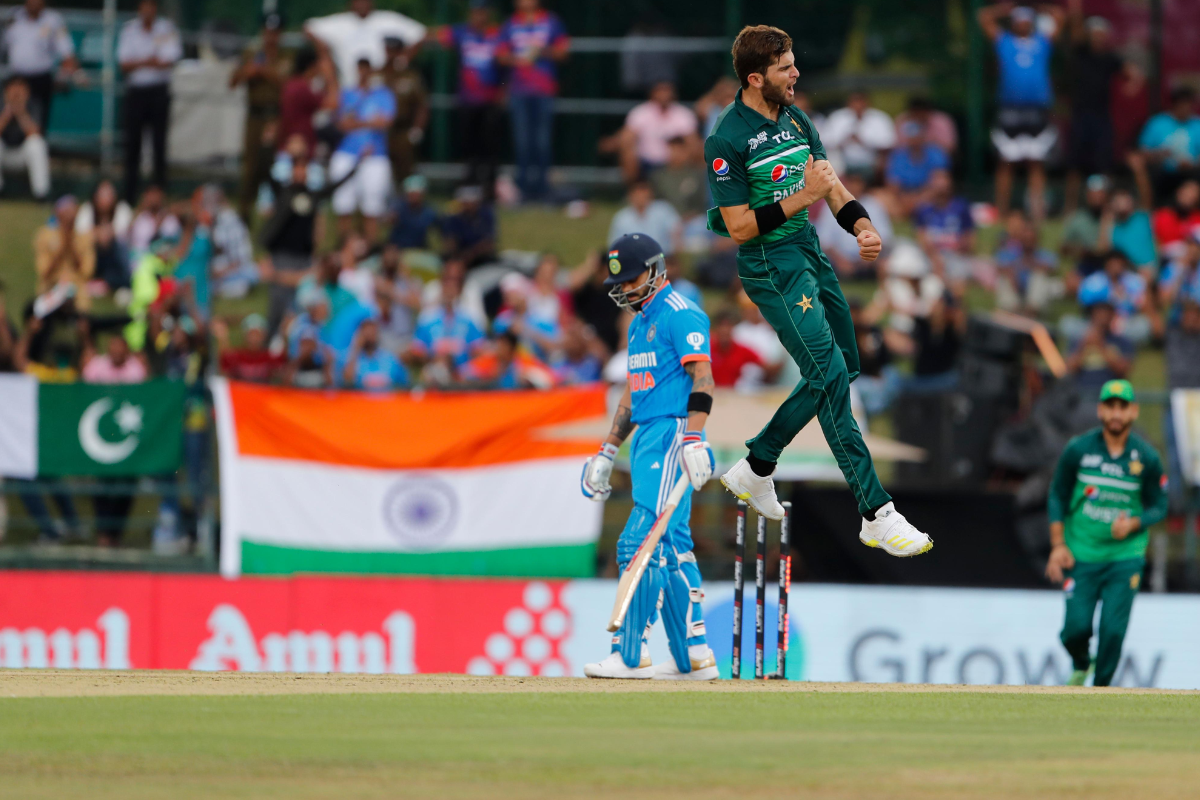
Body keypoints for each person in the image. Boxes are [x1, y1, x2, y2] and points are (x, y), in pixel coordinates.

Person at [704, 25, 932, 555]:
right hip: (769, 264)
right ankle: (876, 511)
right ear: (756, 78)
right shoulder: (727, 139)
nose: (796, 73)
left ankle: (758, 463)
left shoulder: (796, 117)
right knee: (828, 373)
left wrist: (862, 226)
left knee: (845, 365)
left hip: (808, 250)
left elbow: (829, 184)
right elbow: (738, 227)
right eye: (786, 67)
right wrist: (800, 195)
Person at [579, 232, 718, 680]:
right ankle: (691, 656)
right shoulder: (639, 324)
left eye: (632, 278)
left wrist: (694, 438)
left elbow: (704, 377)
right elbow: (633, 390)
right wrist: (608, 448)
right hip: (647, 437)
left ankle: (630, 652)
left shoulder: (681, 314)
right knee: (674, 548)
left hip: (673, 432)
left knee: (640, 541)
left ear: (657, 270)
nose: (623, 288)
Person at [1045, 380, 1167, 687]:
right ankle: (1082, 663)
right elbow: (1057, 495)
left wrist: (1134, 523)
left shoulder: (1146, 457)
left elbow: (1161, 505)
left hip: (1124, 557)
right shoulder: (1079, 449)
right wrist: (1058, 544)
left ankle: (1100, 692)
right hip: (1081, 553)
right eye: (1110, 406)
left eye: (1122, 406)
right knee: (1075, 630)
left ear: (1133, 412)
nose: (1116, 413)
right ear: (1100, 410)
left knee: (1112, 632)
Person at [259, 136, 362, 338]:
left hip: (303, 258)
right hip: (281, 255)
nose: (301, 172)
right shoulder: (283, 192)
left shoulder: (313, 196)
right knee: (277, 305)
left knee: (298, 307)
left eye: (304, 169)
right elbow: (264, 171)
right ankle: (269, 345)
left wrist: (358, 165)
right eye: (297, 168)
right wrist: (267, 144)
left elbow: (336, 185)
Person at [978, 3, 1065, 221]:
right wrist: (1006, 7)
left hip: (1037, 110)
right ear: (1014, 22)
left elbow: (1060, 17)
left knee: (1036, 162)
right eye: (1019, 19)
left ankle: (1037, 213)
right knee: (1006, 162)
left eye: (1026, 19)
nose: (1023, 23)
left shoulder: (1042, 42)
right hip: (1010, 109)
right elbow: (983, 17)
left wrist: (1037, 6)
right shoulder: (1004, 42)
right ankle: (1003, 212)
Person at [497, 0, 569, 202]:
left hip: (544, 91)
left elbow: (563, 51)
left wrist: (541, 51)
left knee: (542, 142)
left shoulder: (551, 21)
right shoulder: (510, 24)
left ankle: (543, 191)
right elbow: (501, 55)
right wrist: (519, 59)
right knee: (522, 143)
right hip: (519, 91)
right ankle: (523, 191)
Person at [81, 332, 149, 547]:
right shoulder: (97, 366)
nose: (116, 352)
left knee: (127, 485)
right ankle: (103, 532)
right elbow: (82, 390)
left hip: (126, 437)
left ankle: (115, 533)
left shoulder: (135, 368)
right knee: (101, 485)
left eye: (120, 347)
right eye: (113, 347)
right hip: (102, 437)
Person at [433, 0, 504, 196]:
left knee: (490, 147)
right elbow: (439, 36)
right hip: (467, 100)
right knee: (468, 146)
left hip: (490, 101)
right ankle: (469, 188)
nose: (478, 17)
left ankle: (489, 189)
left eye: (482, 12)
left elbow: (508, 66)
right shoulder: (462, 32)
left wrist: (504, 90)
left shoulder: (497, 35)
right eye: (475, 13)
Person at [1063, 3, 1125, 213]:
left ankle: (1107, 206)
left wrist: (1132, 83)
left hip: (1101, 118)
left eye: (1101, 33)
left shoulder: (1110, 58)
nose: (1097, 36)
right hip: (1081, 117)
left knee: (1104, 166)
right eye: (1094, 33)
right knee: (1074, 167)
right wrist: (1076, 9)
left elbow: (1131, 73)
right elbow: (1075, 30)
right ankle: (1069, 208)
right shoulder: (1081, 52)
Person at [117, 0, 181, 203]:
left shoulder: (166, 29)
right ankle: (129, 196)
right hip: (136, 93)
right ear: (139, 8)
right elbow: (124, 64)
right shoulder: (129, 30)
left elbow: (170, 60)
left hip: (158, 92)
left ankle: (158, 194)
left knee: (159, 145)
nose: (148, 10)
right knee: (132, 146)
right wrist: (148, 61)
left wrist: (142, 62)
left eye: (151, 6)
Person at [230, 11, 291, 221]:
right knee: (251, 167)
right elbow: (232, 82)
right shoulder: (251, 53)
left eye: (275, 32)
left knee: (274, 167)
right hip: (254, 118)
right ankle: (245, 215)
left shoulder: (286, 56)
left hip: (276, 117)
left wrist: (265, 72)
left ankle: (280, 215)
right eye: (268, 31)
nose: (271, 36)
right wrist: (249, 72)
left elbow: (289, 85)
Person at [331, 57, 395, 241]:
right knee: (344, 206)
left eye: (367, 69)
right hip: (347, 153)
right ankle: (344, 249)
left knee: (372, 208)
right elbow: (342, 124)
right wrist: (369, 122)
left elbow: (384, 123)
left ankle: (371, 248)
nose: (364, 73)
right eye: (361, 69)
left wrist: (356, 123)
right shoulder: (348, 93)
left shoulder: (384, 94)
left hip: (375, 156)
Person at [304, 0, 426, 87]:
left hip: (382, 88)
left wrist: (401, 61)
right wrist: (324, 53)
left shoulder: (387, 19)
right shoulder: (340, 22)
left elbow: (420, 33)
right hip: (348, 88)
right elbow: (309, 27)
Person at [3, 0, 79, 132]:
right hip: (16, 79)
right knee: (10, 119)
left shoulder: (53, 19)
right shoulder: (14, 16)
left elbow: (66, 52)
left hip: (40, 79)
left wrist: (67, 74)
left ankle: (37, 148)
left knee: (37, 122)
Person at [601, 81, 697, 183]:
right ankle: (633, 189)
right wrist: (613, 143)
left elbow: (693, 143)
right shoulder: (640, 112)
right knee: (628, 150)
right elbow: (627, 136)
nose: (663, 94)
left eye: (666, 90)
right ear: (653, 92)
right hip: (645, 162)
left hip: (673, 163)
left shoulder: (684, 114)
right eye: (660, 90)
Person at [914, 170, 979, 292]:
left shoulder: (961, 207)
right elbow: (921, 238)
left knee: (958, 274)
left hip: (956, 255)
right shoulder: (923, 209)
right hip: (931, 256)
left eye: (943, 180)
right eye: (936, 181)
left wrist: (960, 247)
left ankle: (955, 304)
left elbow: (970, 239)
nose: (940, 186)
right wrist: (934, 257)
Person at [275, 47, 340, 160]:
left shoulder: (292, 84)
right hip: (300, 148)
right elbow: (333, 103)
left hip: (290, 143)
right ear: (312, 66)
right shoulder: (302, 87)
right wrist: (329, 75)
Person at [1136, 87, 1200, 199]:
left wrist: (1193, 163)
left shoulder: (1197, 124)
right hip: (1163, 174)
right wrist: (1160, 154)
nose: (1186, 108)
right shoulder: (1157, 123)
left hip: (1192, 174)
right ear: (1174, 104)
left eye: (1188, 104)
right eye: (1182, 104)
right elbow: (1142, 153)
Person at [380, 36, 428, 184]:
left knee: (405, 171)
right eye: (388, 51)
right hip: (379, 133)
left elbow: (422, 105)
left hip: (402, 130)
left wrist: (417, 129)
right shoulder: (376, 74)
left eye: (394, 51)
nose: (391, 55)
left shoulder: (411, 76)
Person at [35, 195, 94, 312]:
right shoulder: (44, 236)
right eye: (66, 210)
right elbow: (44, 271)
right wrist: (62, 246)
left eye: (72, 210)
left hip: (76, 287)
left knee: (82, 307)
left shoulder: (84, 238)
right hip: (51, 286)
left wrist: (71, 243)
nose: (69, 215)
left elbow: (87, 271)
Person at [820, 91, 896, 181]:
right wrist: (845, 140)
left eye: (861, 102)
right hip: (843, 162)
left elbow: (890, 142)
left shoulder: (879, 118)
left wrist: (864, 141)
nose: (858, 105)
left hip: (871, 161)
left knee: (886, 159)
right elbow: (824, 141)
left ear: (867, 102)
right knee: (830, 157)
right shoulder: (837, 117)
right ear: (849, 103)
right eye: (855, 102)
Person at [885, 119, 950, 219]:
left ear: (923, 136)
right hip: (904, 196)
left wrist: (920, 197)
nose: (915, 140)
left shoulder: (935, 153)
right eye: (911, 136)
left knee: (941, 185)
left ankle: (911, 212)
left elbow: (940, 179)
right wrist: (905, 198)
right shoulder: (898, 155)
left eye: (917, 136)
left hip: (927, 194)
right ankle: (908, 212)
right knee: (880, 196)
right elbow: (893, 183)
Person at [0, 76, 49, 199]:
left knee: (37, 144)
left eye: (20, 89)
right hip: (4, 152)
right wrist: (7, 113)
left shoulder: (33, 104)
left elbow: (35, 133)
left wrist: (21, 112)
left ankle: (41, 194)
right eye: (13, 89)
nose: (16, 93)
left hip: (23, 154)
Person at [608, 180, 681, 256]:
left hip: (662, 256)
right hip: (633, 258)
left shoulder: (663, 209)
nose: (641, 197)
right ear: (630, 196)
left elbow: (676, 232)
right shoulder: (621, 217)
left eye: (644, 193)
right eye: (638, 193)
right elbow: (614, 245)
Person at [342, 316, 408, 390]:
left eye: (373, 333)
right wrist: (356, 348)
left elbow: (404, 385)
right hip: (360, 400)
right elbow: (347, 381)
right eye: (367, 334)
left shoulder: (390, 359)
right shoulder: (351, 358)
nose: (370, 337)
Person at [214, 314, 284, 383]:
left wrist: (285, 337)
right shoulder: (237, 356)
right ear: (245, 335)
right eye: (251, 334)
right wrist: (222, 338)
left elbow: (283, 370)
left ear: (264, 336)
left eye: (257, 334)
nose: (254, 338)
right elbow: (224, 367)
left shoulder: (270, 357)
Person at [710, 307, 768, 390]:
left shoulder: (743, 350)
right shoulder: (706, 349)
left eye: (728, 326)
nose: (724, 330)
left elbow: (765, 367)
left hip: (735, 396)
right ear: (715, 329)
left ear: (733, 328)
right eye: (721, 326)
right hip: (712, 394)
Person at [440, 185, 496, 266]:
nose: (469, 205)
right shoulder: (453, 218)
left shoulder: (486, 216)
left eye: (472, 202)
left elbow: (489, 243)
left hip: (480, 259)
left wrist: (470, 254)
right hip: (459, 257)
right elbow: (449, 242)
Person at [1152, 178, 1200, 261]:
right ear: (1179, 192)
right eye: (1187, 193)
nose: (1190, 196)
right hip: (1170, 263)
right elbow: (1163, 248)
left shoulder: (1197, 217)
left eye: (1194, 194)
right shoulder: (1163, 215)